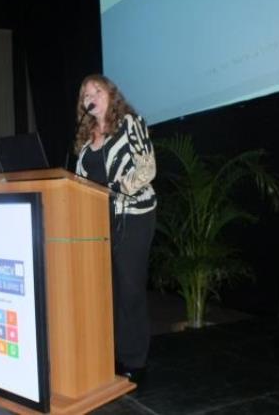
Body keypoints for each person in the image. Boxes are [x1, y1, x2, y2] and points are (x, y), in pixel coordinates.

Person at [73, 74, 157, 381]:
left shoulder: (130, 124)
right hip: (99, 219)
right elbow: (79, 181)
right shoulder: (86, 141)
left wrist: (114, 189)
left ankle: (135, 359)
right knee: (108, 289)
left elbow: (148, 169)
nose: (91, 97)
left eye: (97, 91)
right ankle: (113, 353)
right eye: (86, 95)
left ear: (111, 94)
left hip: (133, 215)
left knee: (130, 287)